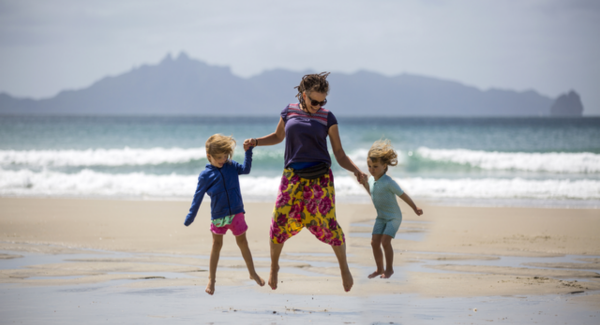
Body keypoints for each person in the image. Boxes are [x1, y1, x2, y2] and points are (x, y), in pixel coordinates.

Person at [244, 72, 366, 292]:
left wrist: (357, 171)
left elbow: (338, 153)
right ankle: (274, 267)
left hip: (320, 180)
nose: (318, 105)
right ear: (303, 94)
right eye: (314, 101)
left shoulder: (328, 118)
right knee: (279, 221)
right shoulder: (289, 111)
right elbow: (278, 136)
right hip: (292, 178)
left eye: (322, 101)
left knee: (329, 225)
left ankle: (344, 268)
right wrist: (255, 142)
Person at [184, 134, 265, 295]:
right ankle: (211, 280)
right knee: (216, 246)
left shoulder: (231, 165)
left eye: (225, 156)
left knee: (243, 242)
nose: (223, 160)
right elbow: (197, 197)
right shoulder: (205, 175)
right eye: (219, 157)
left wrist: (248, 152)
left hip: (236, 212)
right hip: (219, 216)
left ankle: (252, 272)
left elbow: (246, 169)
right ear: (209, 157)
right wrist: (191, 216)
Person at [360, 139, 423, 279]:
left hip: (394, 217)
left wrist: (414, 207)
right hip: (381, 217)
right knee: (374, 243)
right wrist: (364, 182)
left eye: (375, 166)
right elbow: (372, 193)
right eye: (369, 166)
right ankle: (379, 269)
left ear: (384, 166)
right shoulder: (371, 180)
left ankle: (389, 269)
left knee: (385, 241)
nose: (371, 169)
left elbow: (403, 195)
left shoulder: (389, 182)